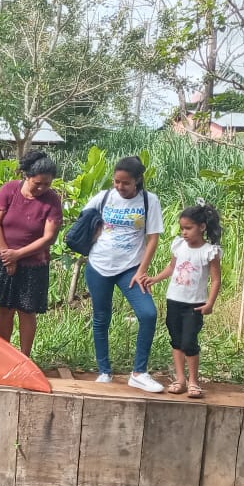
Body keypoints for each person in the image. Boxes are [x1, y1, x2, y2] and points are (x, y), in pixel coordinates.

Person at [84, 156, 164, 393]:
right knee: (101, 317)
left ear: (137, 181)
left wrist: (141, 271)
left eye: (125, 183)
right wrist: (94, 235)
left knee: (148, 314)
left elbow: (153, 239)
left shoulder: (149, 201)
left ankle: (139, 373)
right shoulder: (104, 197)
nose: (119, 187)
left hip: (130, 268)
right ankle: (104, 371)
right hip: (98, 265)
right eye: (116, 181)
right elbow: (83, 221)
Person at [0, 151, 63, 356]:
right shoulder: (9, 190)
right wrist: (8, 256)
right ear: (27, 176)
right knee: (5, 308)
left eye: (47, 184)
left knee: (27, 310)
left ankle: (25, 357)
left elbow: (48, 238)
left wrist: (18, 255)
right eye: (37, 183)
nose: (42, 188)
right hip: (2, 259)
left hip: (33, 263)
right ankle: (2, 355)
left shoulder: (52, 201)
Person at [147, 203, 222, 399]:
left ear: (202, 227)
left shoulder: (209, 251)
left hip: (194, 304)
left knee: (189, 341)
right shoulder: (178, 245)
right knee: (176, 341)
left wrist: (210, 303)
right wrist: (155, 278)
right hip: (174, 300)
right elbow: (172, 268)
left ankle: (194, 381)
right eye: (182, 228)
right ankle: (180, 379)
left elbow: (216, 280)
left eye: (188, 228)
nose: (184, 232)